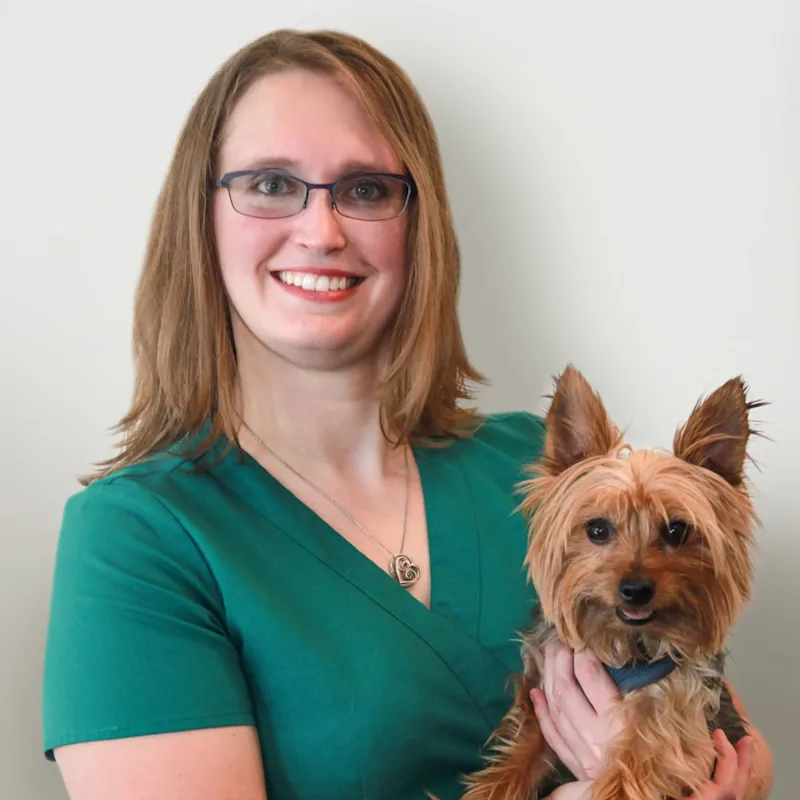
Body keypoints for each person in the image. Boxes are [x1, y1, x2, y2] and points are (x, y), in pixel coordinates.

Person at [41, 28, 773, 800]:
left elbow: (723, 735)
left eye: (365, 190)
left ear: (418, 224)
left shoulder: (531, 464)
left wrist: (741, 778)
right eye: (268, 183)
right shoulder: (137, 539)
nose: (320, 231)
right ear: (202, 217)